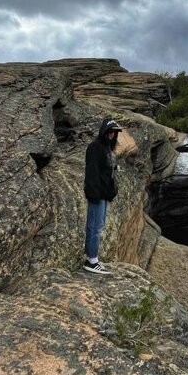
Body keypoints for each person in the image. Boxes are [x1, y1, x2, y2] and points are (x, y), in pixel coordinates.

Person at [83, 117, 122, 274]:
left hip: (103, 195)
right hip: (97, 195)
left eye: (114, 132)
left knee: (98, 226)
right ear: (104, 131)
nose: (112, 134)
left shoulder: (106, 148)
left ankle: (91, 258)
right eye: (110, 131)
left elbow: (107, 173)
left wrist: (110, 192)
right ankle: (92, 260)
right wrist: (94, 194)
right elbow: (92, 172)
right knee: (95, 227)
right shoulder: (95, 147)